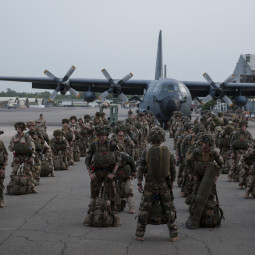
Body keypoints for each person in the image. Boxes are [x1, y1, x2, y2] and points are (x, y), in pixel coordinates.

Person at [135, 126, 178, 242]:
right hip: (164, 185)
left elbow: (140, 168)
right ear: (162, 138)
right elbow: (173, 168)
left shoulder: (146, 151)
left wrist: (139, 183)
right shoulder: (168, 151)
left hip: (150, 185)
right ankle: (173, 233)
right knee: (169, 208)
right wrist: (172, 181)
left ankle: (140, 233)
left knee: (145, 208)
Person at [185, 134, 223, 229]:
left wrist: (216, 175)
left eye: (207, 144)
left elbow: (221, 164)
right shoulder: (196, 152)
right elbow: (188, 162)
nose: (205, 146)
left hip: (209, 178)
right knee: (196, 196)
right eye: (203, 143)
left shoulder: (214, 153)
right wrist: (190, 174)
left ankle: (208, 218)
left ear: (210, 145)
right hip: (197, 177)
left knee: (210, 197)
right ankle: (195, 218)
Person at [85, 124, 120, 213]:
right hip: (97, 172)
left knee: (111, 191)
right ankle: (93, 208)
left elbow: (118, 160)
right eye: (101, 135)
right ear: (98, 136)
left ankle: (113, 208)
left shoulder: (112, 144)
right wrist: (91, 174)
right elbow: (87, 161)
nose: (103, 137)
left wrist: (113, 173)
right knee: (94, 192)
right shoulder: (93, 145)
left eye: (104, 135)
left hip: (109, 172)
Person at [7, 122, 37, 194]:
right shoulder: (14, 137)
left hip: (27, 156)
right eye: (17, 128)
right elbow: (10, 149)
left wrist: (32, 157)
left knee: (29, 173)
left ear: (23, 129)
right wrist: (14, 142)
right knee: (13, 173)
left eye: (20, 128)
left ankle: (32, 188)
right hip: (18, 157)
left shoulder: (27, 137)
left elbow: (33, 147)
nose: (18, 129)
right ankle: (10, 188)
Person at [0, 131, 8, 207]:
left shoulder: (1, 144)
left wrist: (3, 168)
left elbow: (6, 155)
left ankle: (0, 200)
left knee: (0, 185)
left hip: (0, 167)